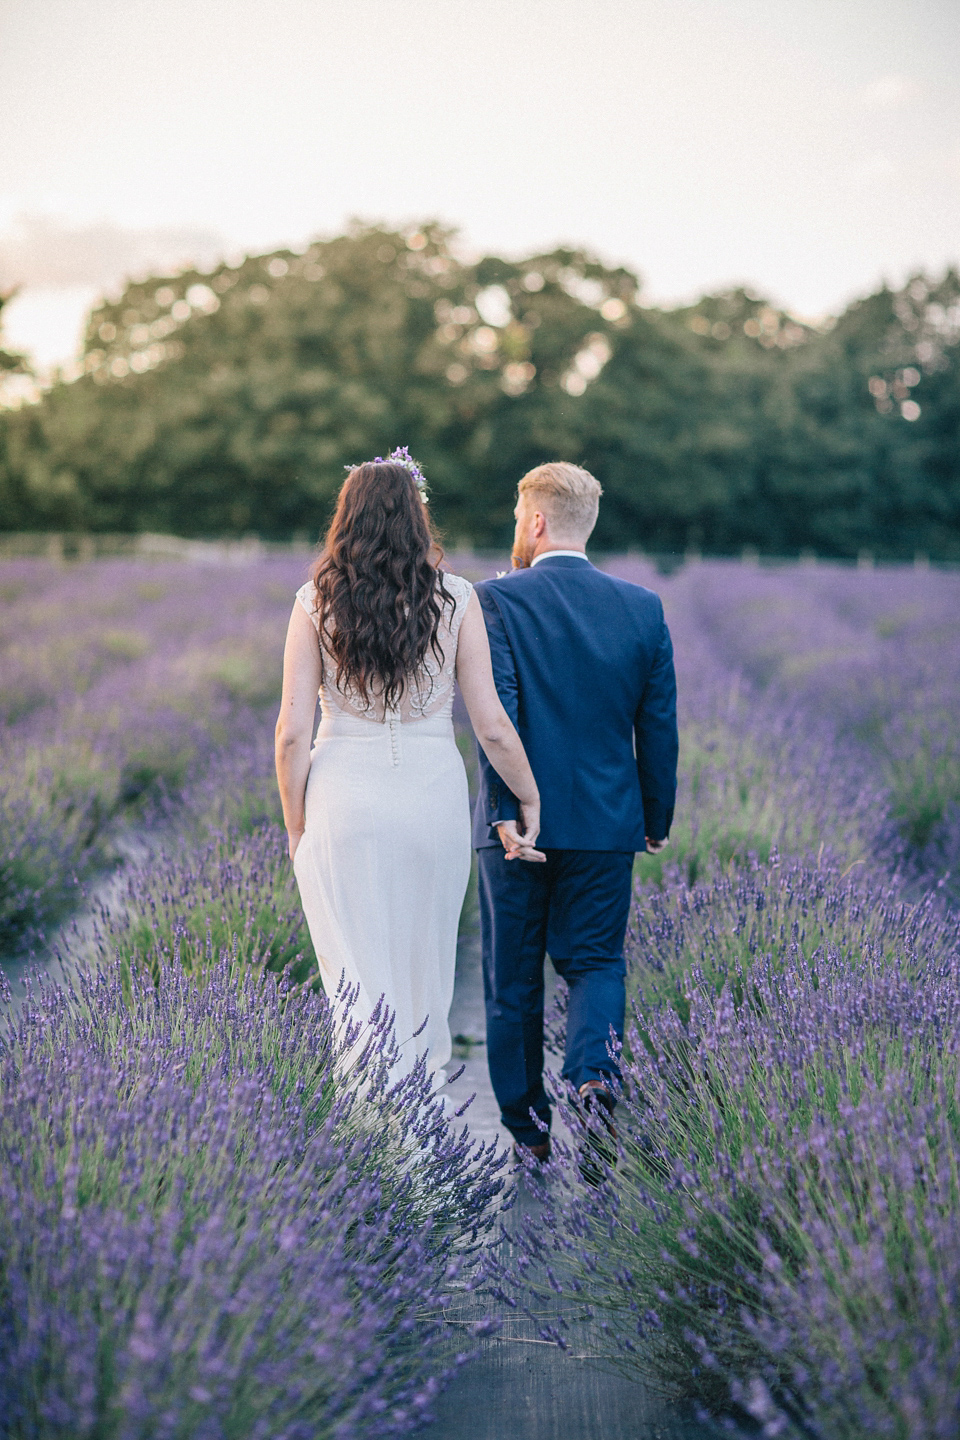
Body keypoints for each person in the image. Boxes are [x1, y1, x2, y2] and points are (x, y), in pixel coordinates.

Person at [275, 451, 541, 1088]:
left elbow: (290, 734)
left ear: (346, 519)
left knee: (357, 982)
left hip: (342, 798)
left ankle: (374, 1151)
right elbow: (494, 725)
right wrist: (528, 796)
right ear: (419, 520)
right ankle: (420, 1153)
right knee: (424, 974)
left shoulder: (316, 601)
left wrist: (295, 825)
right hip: (431, 800)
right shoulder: (457, 599)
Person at [473, 462, 678, 1161]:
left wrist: (504, 807)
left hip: (513, 828)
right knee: (595, 963)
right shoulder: (642, 607)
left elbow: (495, 711)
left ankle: (527, 1131)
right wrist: (655, 816)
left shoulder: (494, 602)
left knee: (512, 975)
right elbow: (657, 726)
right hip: (604, 818)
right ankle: (593, 1083)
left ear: (535, 522)